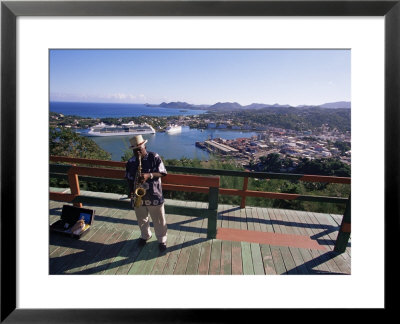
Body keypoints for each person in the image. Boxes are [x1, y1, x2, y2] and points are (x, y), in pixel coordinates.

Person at [125, 135, 168, 252]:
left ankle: (162, 240)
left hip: (154, 195)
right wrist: (131, 192)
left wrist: (149, 175)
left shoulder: (154, 157)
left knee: (159, 220)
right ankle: (145, 236)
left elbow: (163, 172)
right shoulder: (131, 162)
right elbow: (128, 178)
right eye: (135, 150)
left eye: (140, 149)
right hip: (138, 196)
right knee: (141, 219)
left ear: (145, 146)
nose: (138, 152)